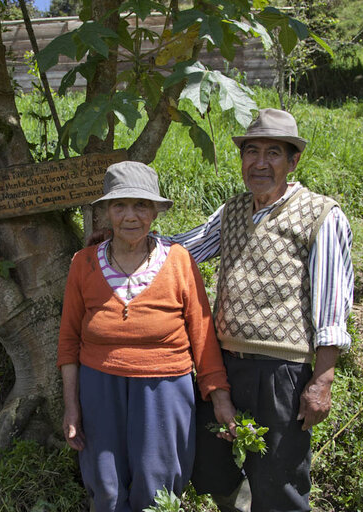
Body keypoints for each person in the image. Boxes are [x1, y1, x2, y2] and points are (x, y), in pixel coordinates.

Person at [172, 108, 354, 512]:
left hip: (282, 373)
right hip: (223, 365)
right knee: (206, 460)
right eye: (251, 151)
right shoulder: (232, 211)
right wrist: (128, 237)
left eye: (274, 152)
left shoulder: (321, 215)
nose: (259, 162)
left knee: (280, 480)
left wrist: (322, 380)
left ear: (293, 161)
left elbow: (332, 307)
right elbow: (183, 249)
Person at [57, 161, 236, 512]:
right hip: (99, 387)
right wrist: (71, 405)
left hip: (165, 388)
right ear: (107, 211)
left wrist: (219, 398)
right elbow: (68, 342)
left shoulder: (180, 261)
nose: (130, 216)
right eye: (119, 205)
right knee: (105, 487)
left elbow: (203, 338)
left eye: (141, 205)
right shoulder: (84, 262)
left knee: (158, 485)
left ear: (155, 211)